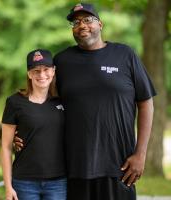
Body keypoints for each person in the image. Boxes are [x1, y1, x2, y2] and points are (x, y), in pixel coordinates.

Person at [15, 3, 156, 200]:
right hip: (74, 167)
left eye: (88, 19)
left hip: (120, 166)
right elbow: (44, 102)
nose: (82, 25)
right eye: (76, 22)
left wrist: (140, 154)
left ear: (100, 24)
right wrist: (21, 130)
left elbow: (146, 102)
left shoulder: (125, 55)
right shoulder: (63, 61)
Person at [1, 49, 67, 200]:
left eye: (46, 70)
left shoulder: (63, 100)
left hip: (58, 182)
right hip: (24, 182)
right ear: (29, 74)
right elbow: (5, 147)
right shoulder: (15, 102)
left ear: (53, 71)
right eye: (36, 71)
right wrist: (8, 186)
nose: (42, 75)